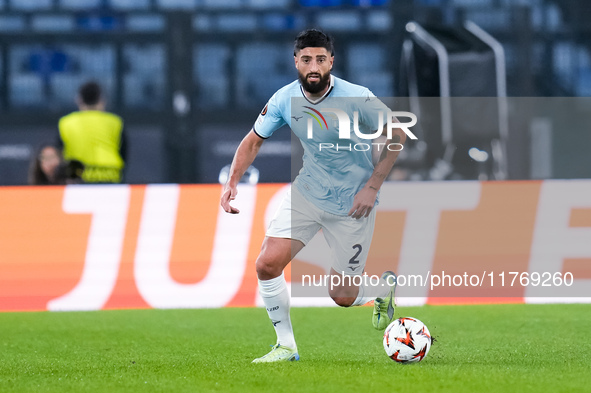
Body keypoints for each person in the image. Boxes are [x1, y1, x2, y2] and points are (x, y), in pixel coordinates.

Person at [221, 29, 408, 363]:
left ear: (331, 62)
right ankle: (286, 345)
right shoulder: (283, 99)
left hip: (353, 205)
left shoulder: (356, 96)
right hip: (308, 193)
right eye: (306, 59)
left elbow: (397, 133)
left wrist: (372, 187)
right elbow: (253, 140)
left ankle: (382, 289)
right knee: (266, 264)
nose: (313, 66)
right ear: (295, 61)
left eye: (320, 59)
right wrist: (232, 180)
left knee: (342, 294)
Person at [57, 81, 127, 183]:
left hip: (77, 178)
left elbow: (59, 154)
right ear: (102, 100)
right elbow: (123, 153)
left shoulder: (65, 123)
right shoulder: (115, 122)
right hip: (109, 176)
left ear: (79, 100)